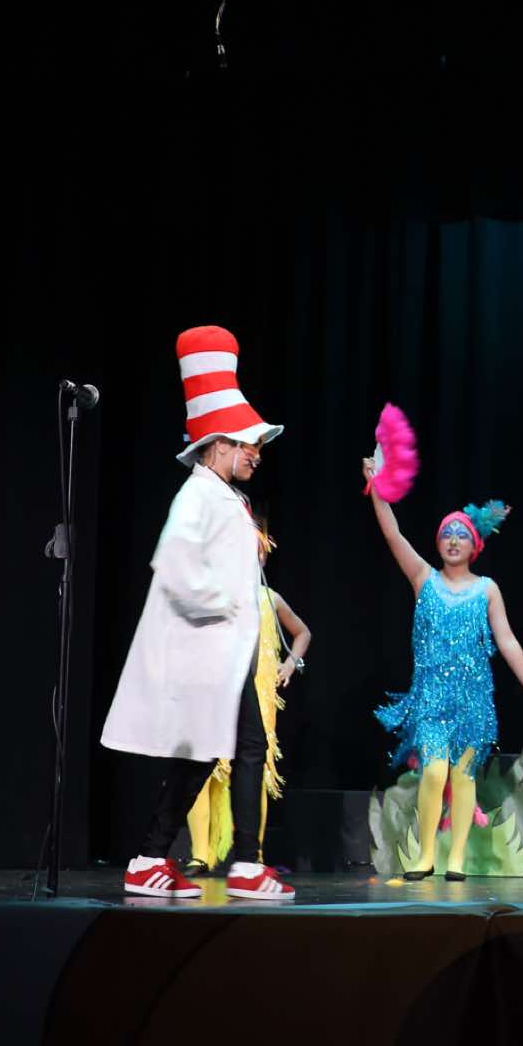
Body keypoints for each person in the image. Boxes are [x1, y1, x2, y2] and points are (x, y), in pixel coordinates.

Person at [101, 325, 294, 900]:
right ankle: (243, 864)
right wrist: (225, 603)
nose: (256, 454)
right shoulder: (198, 494)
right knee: (238, 749)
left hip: (225, 656)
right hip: (209, 655)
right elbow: (172, 562)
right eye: (248, 444)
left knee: (211, 754)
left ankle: (152, 859)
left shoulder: (223, 496)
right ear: (221, 445)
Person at [368, 468, 523, 881]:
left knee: (463, 775)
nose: (453, 540)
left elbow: (507, 640)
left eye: (461, 534)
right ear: (438, 543)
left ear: (476, 545)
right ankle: (425, 855)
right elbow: (393, 535)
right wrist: (378, 491)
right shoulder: (424, 578)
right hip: (432, 700)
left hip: (473, 701)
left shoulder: (487, 588)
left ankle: (455, 858)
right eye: (446, 534)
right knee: (434, 772)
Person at [183, 515, 310, 875]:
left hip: (259, 693)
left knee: (255, 770)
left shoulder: (269, 598)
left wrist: (290, 663)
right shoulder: (215, 596)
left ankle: (252, 855)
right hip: (217, 689)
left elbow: (302, 633)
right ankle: (200, 853)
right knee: (206, 768)